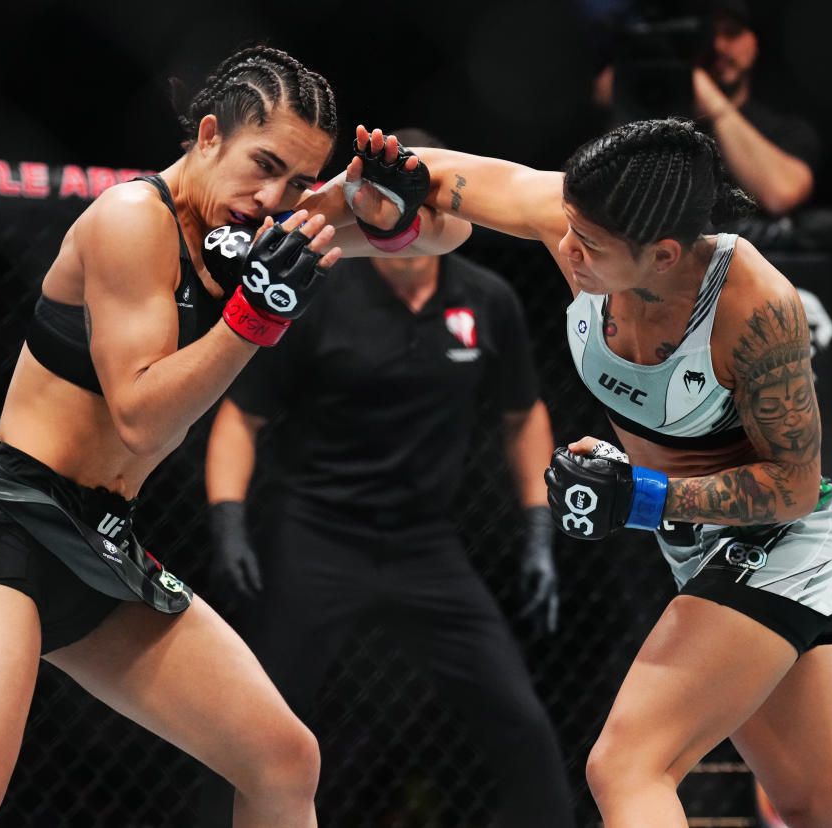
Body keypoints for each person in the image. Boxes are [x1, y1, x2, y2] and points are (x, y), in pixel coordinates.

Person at [0, 46, 464, 828]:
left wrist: (396, 208)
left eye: (297, 183)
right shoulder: (130, 220)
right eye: (263, 166)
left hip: (100, 543)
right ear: (211, 135)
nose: (273, 196)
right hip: (7, 524)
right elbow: (142, 414)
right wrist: (256, 317)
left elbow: (444, 237)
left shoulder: (254, 226)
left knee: (284, 762)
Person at [376, 118, 832, 826]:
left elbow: (794, 486)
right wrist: (383, 173)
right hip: (697, 548)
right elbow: (450, 177)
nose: (566, 251)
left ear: (663, 255)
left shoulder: (754, 308)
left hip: (777, 544)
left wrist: (643, 497)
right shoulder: (588, 225)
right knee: (820, 804)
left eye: (588, 246)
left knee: (626, 765)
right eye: (569, 229)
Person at [195, 128, 576, 828]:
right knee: (254, 722)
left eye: (420, 201)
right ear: (365, 203)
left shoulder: (487, 299)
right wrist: (227, 519)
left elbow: (524, 416)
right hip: (316, 532)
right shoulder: (320, 284)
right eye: (386, 198)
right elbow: (241, 417)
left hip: (425, 543)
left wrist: (538, 529)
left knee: (520, 721)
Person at [591, 0, 821, 216]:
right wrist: (624, 96)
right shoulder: (662, 127)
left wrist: (711, 100)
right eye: (706, 36)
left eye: (732, 33)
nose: (719, 46)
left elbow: (781, 194)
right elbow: (599, 197)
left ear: (754, 43)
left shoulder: (786, 131)